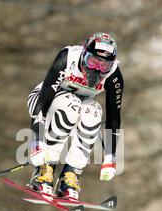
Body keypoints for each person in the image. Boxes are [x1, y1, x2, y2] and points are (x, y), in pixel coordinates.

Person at [27, 32, 124, 200]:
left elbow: (113, 117)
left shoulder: (113, 74)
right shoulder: (68, 57)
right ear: (84, 53)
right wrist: (37, 142)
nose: (97, 69)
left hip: (80, 106)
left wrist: (110, 158)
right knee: (69, 104)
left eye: (104, 66)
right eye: (92, 61)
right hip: (43, 102)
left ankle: (70, 176)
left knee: (93, 111)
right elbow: (43, 102)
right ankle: (44, 171)